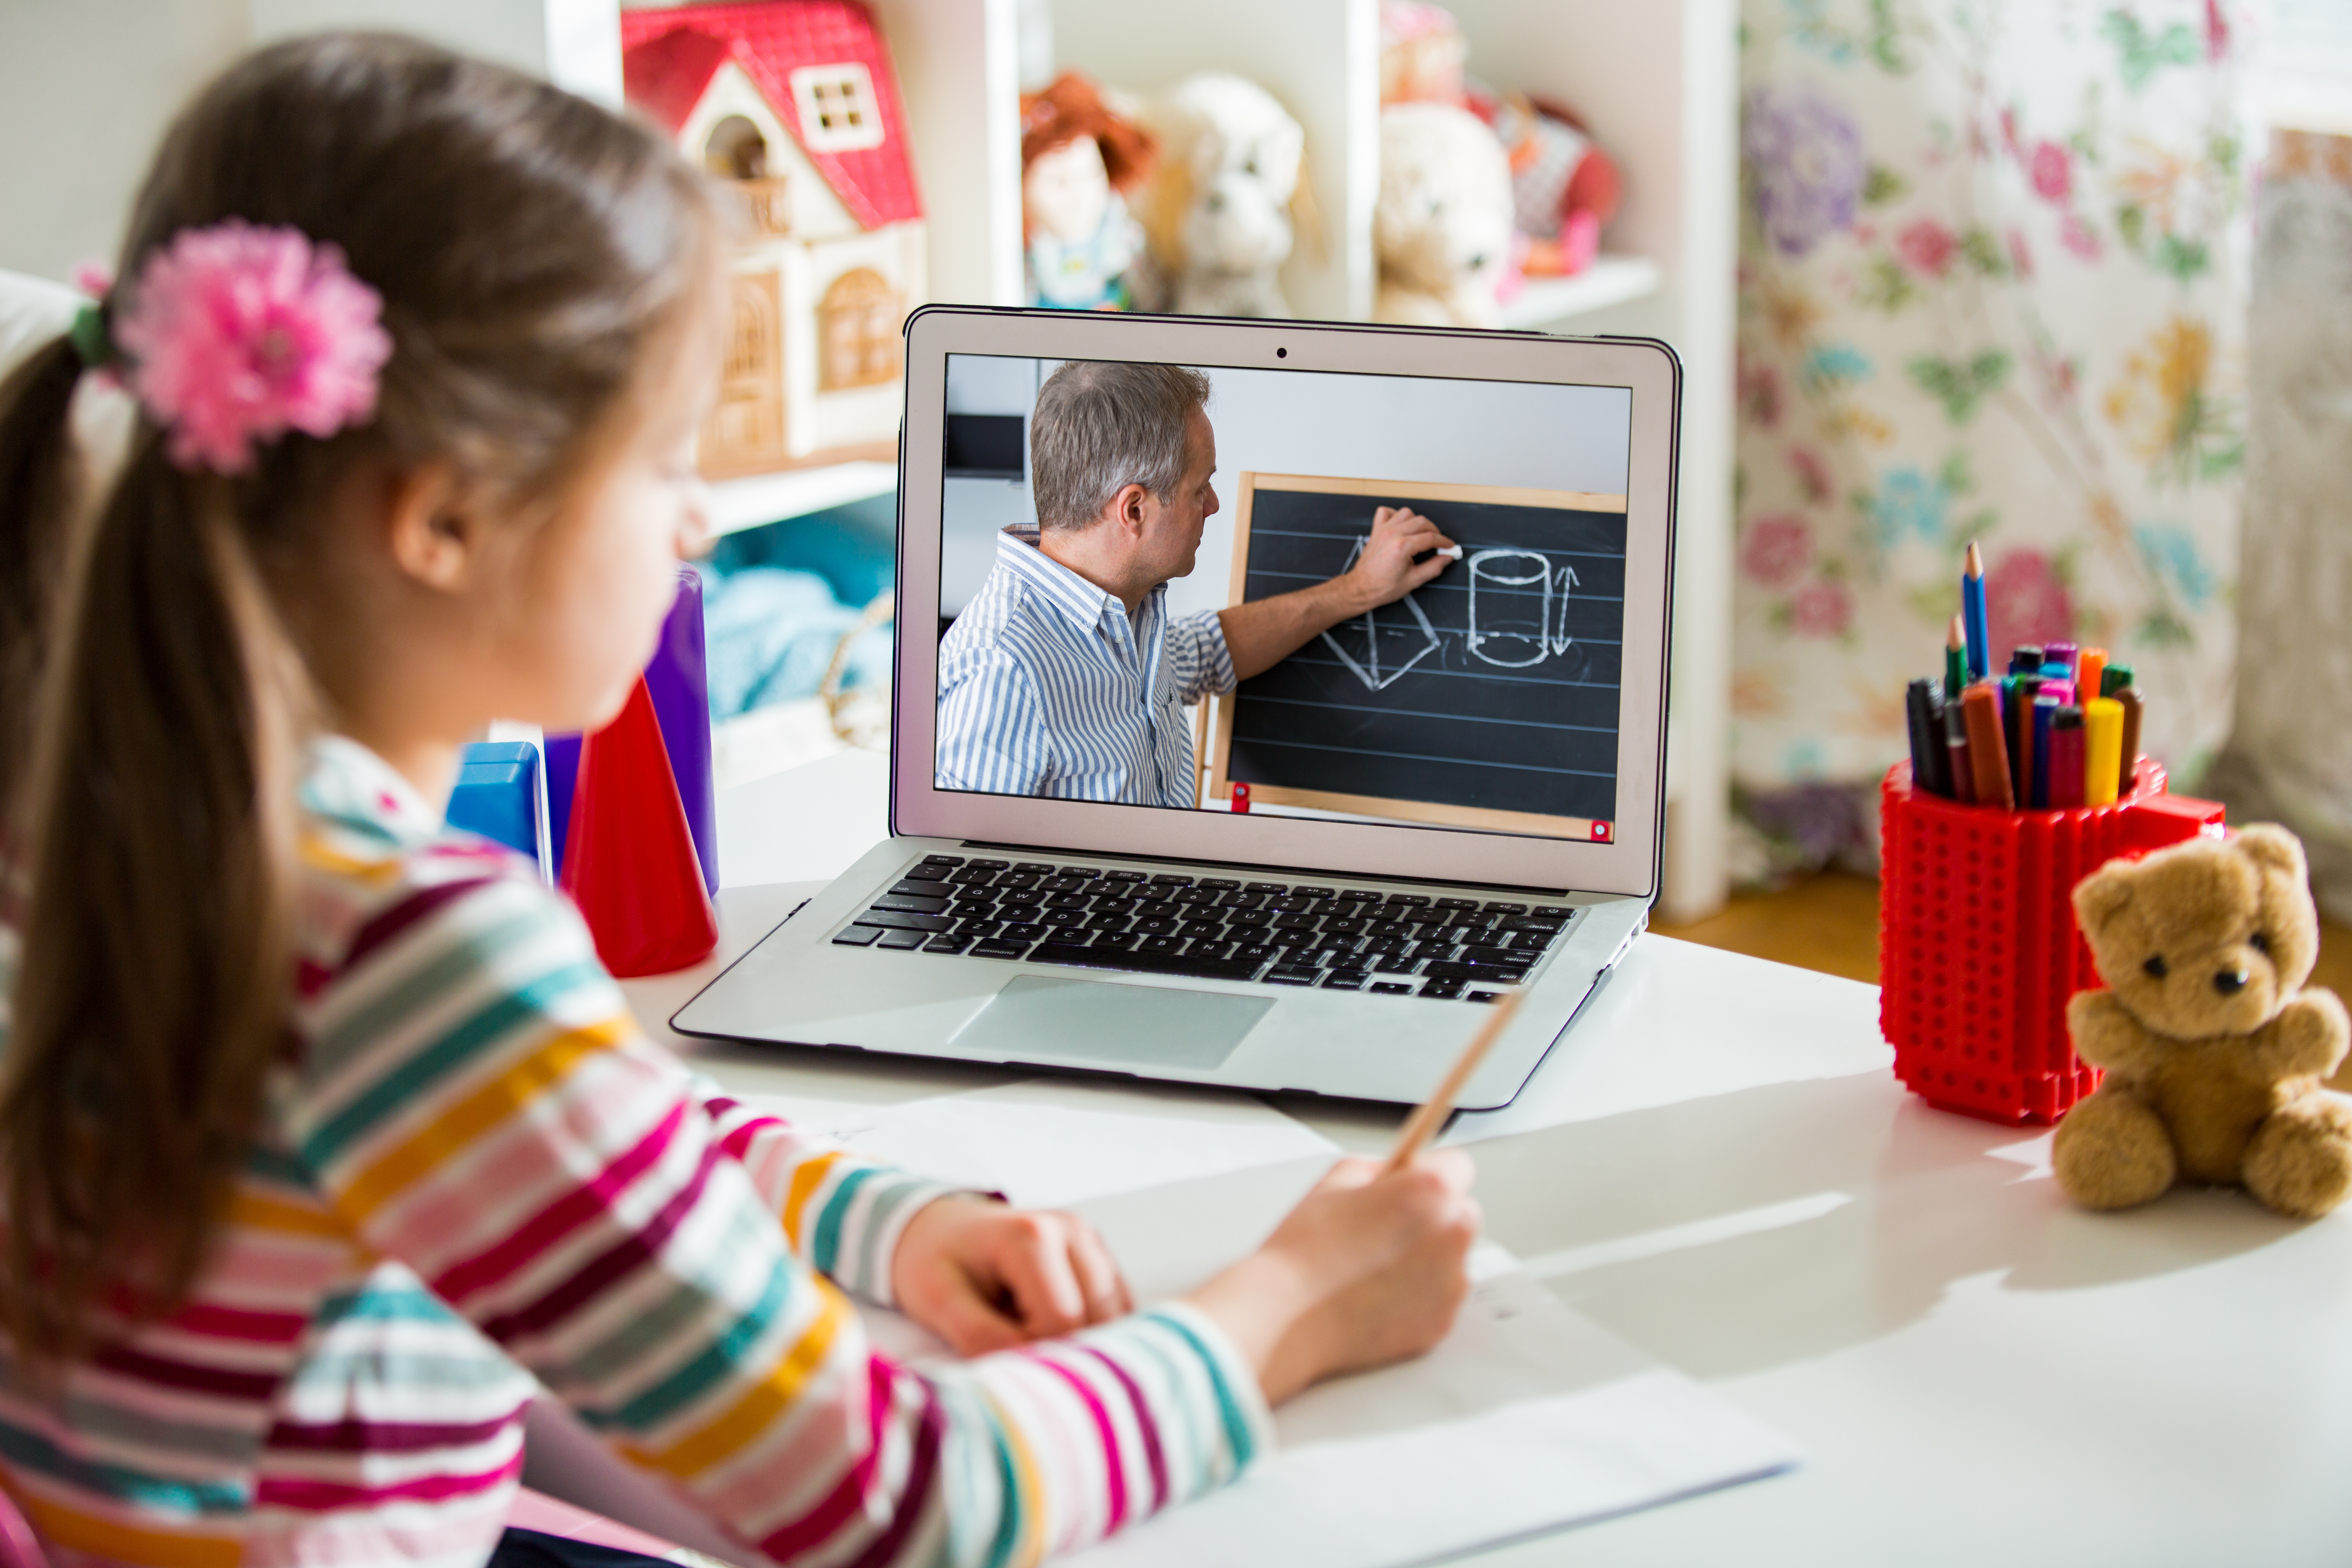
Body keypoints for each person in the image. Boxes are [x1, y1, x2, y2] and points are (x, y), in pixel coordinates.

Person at [0, 35, 1481, 1568]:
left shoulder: (122, 817)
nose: (700, 518)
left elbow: (573, 1124)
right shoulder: (411, 949)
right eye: (659, 460)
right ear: (441, 517)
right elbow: (912, 1500)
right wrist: (1292, 1303)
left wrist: (885, 1222)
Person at [935, 361, 1457, 805]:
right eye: (1199, 488)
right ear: (1134, 509)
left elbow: (1209, 651)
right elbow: (962, 893)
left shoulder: (1121, 609)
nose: (1213, 505)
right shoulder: (1002, 673)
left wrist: (1360, 589)